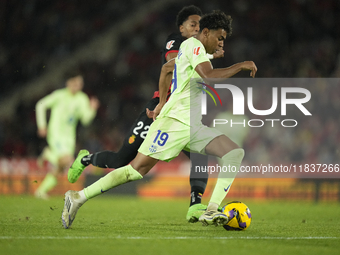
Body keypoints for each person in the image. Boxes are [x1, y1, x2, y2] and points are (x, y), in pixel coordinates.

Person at [61, 10, 257, 229]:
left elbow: (166, 70)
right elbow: (209, 76)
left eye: (224, 40)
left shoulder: (194, 49)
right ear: (206, 32)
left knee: (233, 153)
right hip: (174, 123)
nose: (222, 43)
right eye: (219, 38)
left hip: (193, 126)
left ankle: (211, 210)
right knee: (134, 170)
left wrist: (162, 101)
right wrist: (241, 65)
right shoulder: (194, 46)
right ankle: (77, 197)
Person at [34, 70, 99, 199]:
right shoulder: (59, 95)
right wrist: (42, 125)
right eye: (75, 82)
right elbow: (40, 105)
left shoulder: (82, 98)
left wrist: (92, 109)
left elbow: (85, 120)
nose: (78, 85)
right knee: (67, 160)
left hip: (69, 138)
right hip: (56, 134)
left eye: (80, 83)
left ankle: (41, 190)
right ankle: (49, 154)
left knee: (62, 166)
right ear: (68, 82)